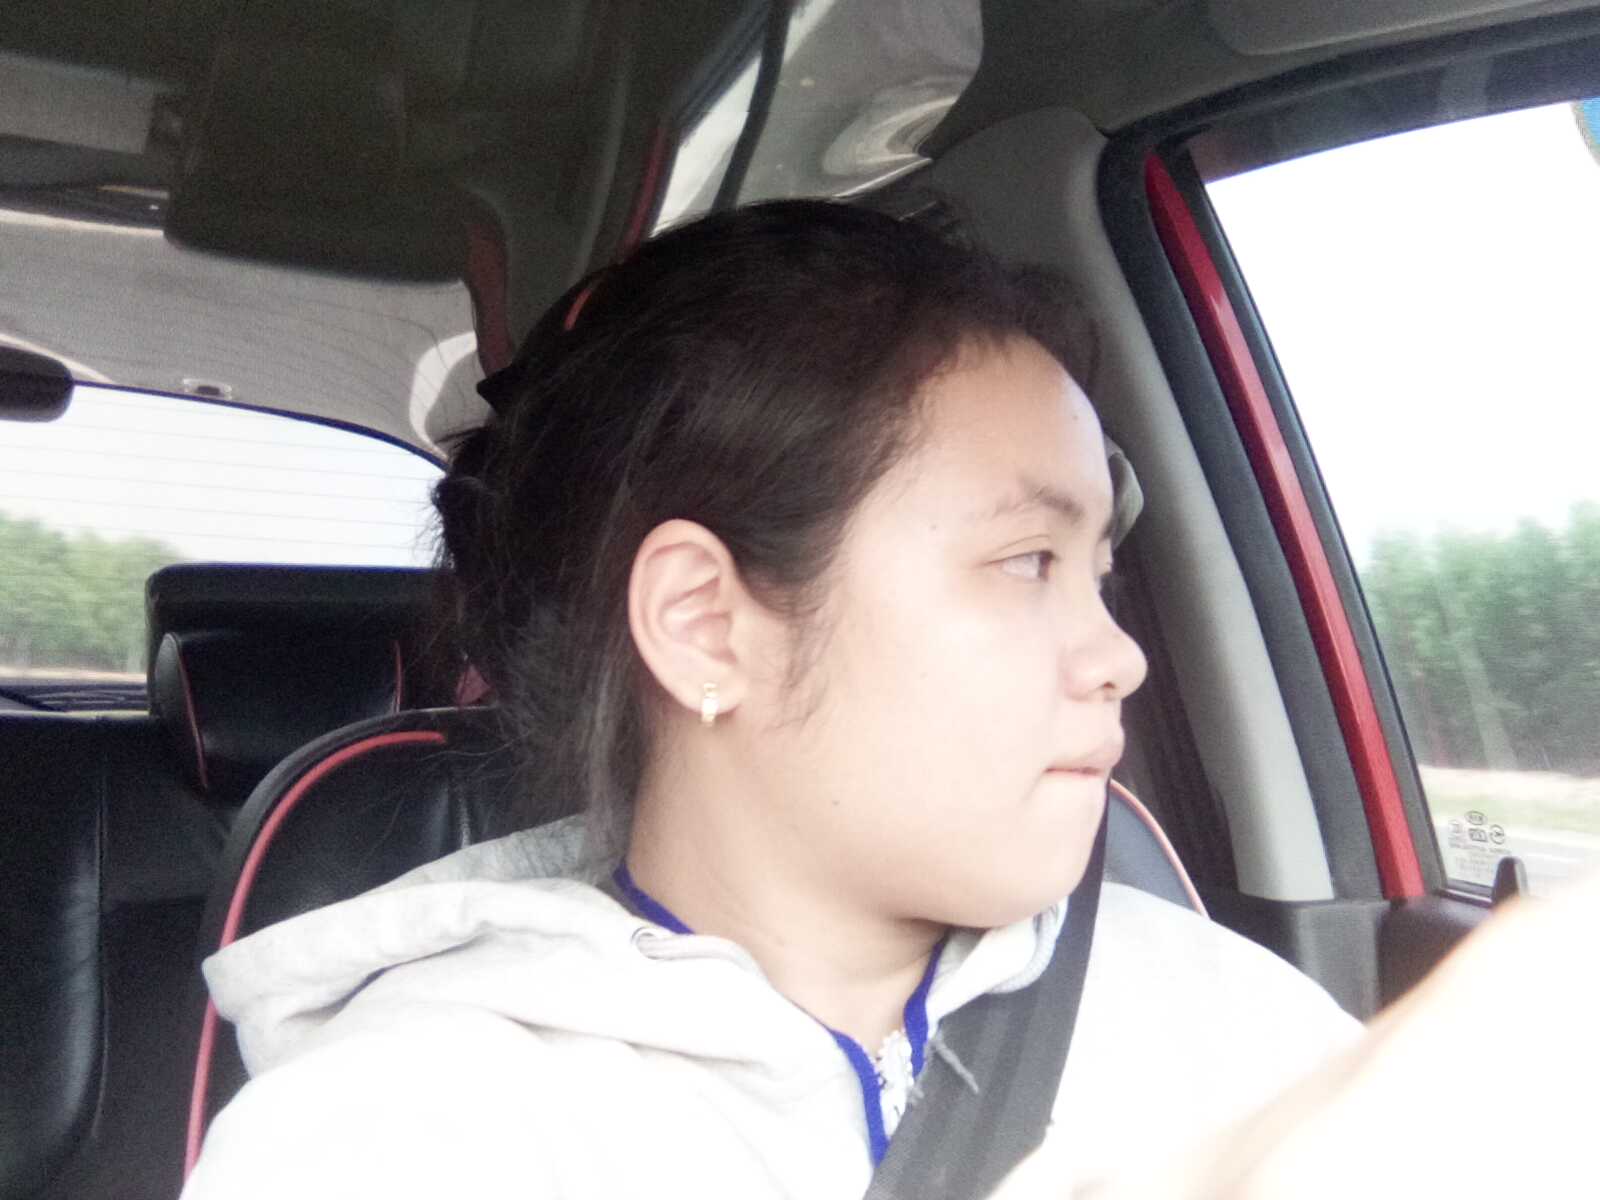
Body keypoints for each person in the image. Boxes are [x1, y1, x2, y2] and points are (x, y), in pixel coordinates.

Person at [181, 200, 1360, 1199]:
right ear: (704, 624)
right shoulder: (397, 1139)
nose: (1119, 657)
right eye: (1024, 564)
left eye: (1097, 574)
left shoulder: (1236, 1020)